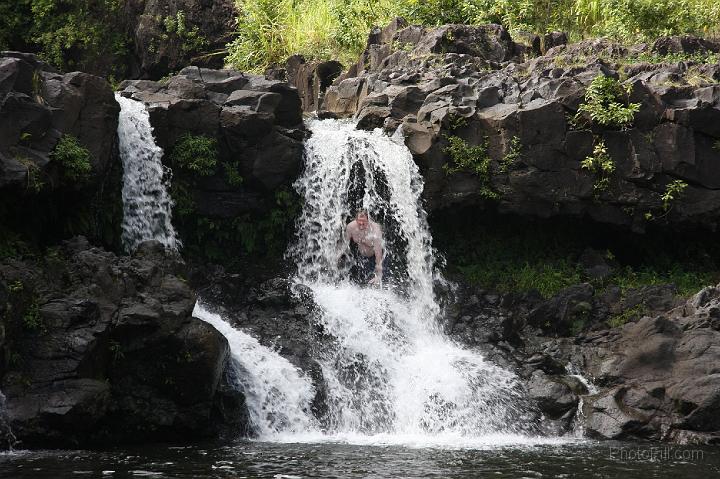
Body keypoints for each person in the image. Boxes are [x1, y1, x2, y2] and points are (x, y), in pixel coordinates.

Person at [343, 209, 385, 285]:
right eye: (359, 221)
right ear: (356, 220)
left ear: (368, 220)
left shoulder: (375, 230)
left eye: (364, 221)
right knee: (356, 283)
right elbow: (344, 244)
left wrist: (379, 274)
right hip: (361, 258)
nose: (361, 224)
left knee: (377, 283)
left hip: (376, 258)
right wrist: (335, 259)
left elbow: (378, 253)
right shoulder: (351, 227)